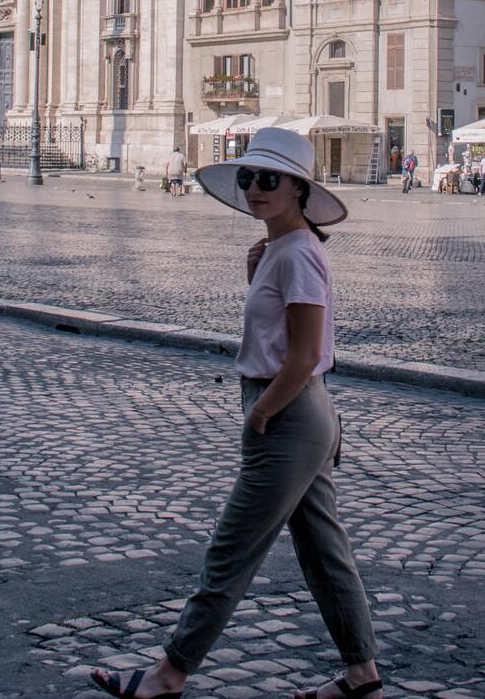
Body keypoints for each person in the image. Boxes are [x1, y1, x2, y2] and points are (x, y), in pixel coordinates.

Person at [90, 127, 378, 699]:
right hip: (299, 413)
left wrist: (260, 415)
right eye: (248, 177)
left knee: (232, 550)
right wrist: (258, 275)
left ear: (299, 189)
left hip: (288, 414)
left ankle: (169, 673)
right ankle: (361, 675)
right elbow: (280, 335)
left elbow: (303, 356)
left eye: (268, 179)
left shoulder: (297, 254)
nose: (254, 189)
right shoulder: (281, 251)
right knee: (323, 550)